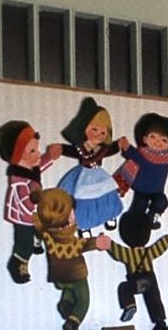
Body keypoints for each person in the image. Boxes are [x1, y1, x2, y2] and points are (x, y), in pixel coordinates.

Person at [32, 187, 109, 330]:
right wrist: (96, 242)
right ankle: (73, 322)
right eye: (72, 212)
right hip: (76, 273)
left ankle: (65, 304)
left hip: (59, 276)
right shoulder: (66, 237)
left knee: (70, 290)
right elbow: (80, 245)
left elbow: (37, 225)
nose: (74, 215)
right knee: (83, 300)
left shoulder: (47, 234)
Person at [0, 120, 60, 284]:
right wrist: (35, 201)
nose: (38, 154)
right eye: (33, 151)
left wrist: (50, 157)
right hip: (23, 218)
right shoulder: (19, 180)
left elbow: (39, 168)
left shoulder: (29, 171)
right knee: (23, 242)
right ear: (18, 155)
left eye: (37, 149)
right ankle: (18, 263)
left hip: (33, 214)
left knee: (42, 229)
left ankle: (36, 241)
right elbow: (24, 202)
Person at [54, 97, 126, 232]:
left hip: (99, 174)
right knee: (83, 199)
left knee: (107, 195)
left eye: (103, 132)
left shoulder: (103, 149)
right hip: (84, 175)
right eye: (95, 129)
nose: (99, 134)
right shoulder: (81, 148)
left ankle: (110, 216)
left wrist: (118, 144)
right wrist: (61, 148)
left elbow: (111, 150)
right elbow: (72, 151)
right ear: (84, 128)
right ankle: (84, 225)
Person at [114, 112, 168, 229]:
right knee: (138, 208)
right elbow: (131, 153)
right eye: (153, 137)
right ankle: (134, 229)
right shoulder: (141, 154)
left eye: (164, 140)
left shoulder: (167, 158)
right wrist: (126, 145)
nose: (158, 142)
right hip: (140, 189)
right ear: (145, 139)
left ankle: (154, 216)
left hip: (157, 191)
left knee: (162, 202)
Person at [102, 210, 168, 330]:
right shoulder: (149, 251)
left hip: (137, 281)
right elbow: (159, 247)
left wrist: (108, 243)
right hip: (150, 280)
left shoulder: (128, 254)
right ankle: (160, 322)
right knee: (154, 300)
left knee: (125, 288)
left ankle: (130, 305)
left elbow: (117, 251)